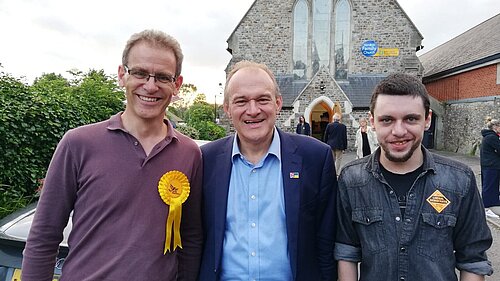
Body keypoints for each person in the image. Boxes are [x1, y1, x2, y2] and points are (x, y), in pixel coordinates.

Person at [22, 30, 203, 280]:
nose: (150, 86)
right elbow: (44, 235)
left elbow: (190, 238)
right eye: (139, 73)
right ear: (122, 75)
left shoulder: (189, 153)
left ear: (177, 85)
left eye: (162, 77)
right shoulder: (78, 144)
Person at [335, 73, 493, 281]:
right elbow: (347, 252)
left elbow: (473, 261)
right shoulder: (352, 179)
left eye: (410, 118)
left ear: (427, 120)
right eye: (387, 120)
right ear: (373, 122)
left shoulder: (460, 180)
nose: (399, 131)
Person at [199, 60, 337, 280]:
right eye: (241, 101)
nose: (253, 110)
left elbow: (326, 241)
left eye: (263, 99)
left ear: (278, 103)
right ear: (227, 109)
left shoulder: (316, 158)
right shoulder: (206, 160)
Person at [480, 117, 500, 218]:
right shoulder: (492, 137)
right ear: (495, 127)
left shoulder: (487, 136)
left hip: (487, 164)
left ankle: (492, 204)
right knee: (490, 187)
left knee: (489, 185)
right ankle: (487, 208)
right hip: (492, 165)